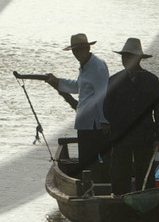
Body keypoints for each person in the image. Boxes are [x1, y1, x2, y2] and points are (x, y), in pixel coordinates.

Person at [31, 33, 111, 188]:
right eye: (74, 51)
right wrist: (57, 82)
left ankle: (101, 188)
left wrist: (104, 120)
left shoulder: (98, 66)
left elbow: (103, 95)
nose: (76, 54)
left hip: (95, 124)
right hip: (84, 123)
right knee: (86, 161)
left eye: (79, 50)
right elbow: (78, 87)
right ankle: (90, 188)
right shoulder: (85, 66)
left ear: (87, 48)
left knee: (95, 160)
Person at [103, 37, 159, 193]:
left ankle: (145, 201)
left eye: (129, 56)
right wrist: (115, 125)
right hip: (121, 134)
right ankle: (119, 200)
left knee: (145, 173)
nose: (125, 60)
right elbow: (107, 109)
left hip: (144, 135)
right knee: (119, 172)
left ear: (138, 59)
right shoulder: (114, 80)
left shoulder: (151, 80)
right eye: (124, 56)